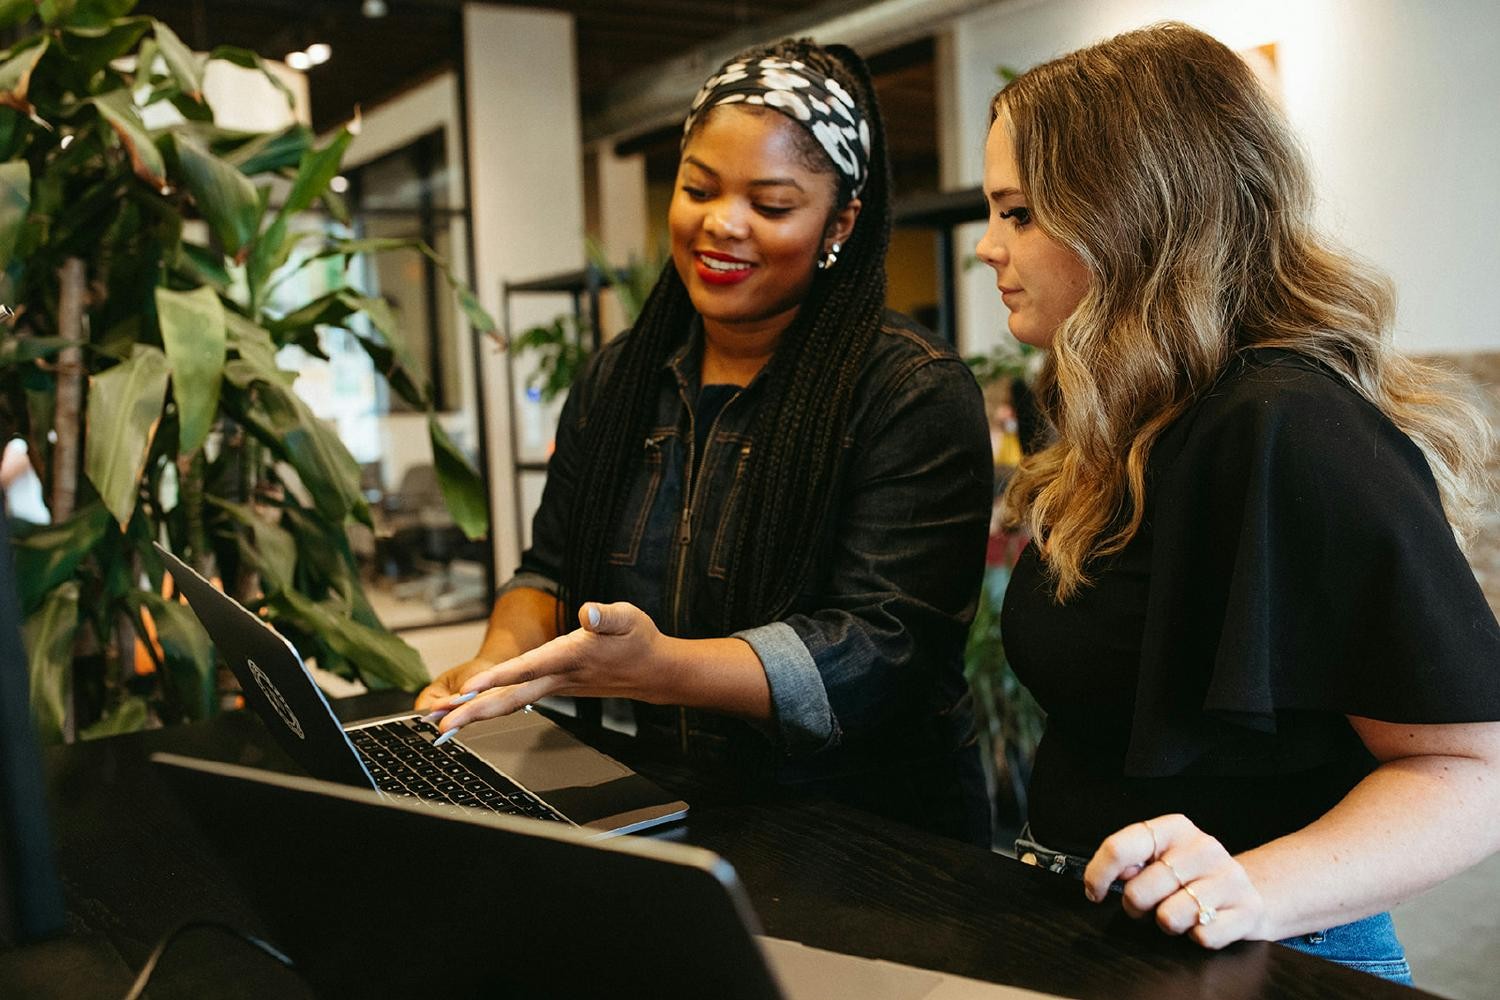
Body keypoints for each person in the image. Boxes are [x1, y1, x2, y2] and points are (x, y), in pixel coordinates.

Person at [975, 22, 1500, 982]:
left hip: (1275, 954)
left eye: (1018, 213)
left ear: (1127, 208)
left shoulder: (1289, 423)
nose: (986, 247)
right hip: (1104, 939)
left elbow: (1470, 772)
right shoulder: (1115, 414)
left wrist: (1252, 887)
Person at [418, 38, 994, 844]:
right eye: (698, 189)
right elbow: (550, 568)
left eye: (772, 204)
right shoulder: (624, 379)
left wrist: (663, 671)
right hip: (672, 810)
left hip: (873, 837)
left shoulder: (909, 391)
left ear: (841, 222)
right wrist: (496, 666)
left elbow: (883, 649)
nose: (722, 225)